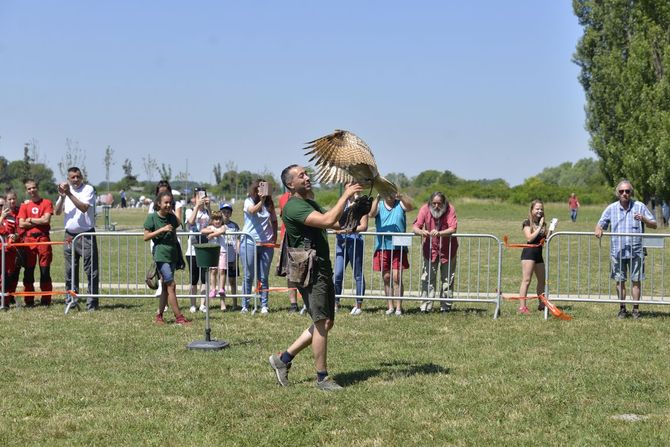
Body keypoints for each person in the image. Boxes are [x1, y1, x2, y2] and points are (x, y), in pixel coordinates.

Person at [268, 164, 363, 391]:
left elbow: (339, 223)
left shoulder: (309, 203)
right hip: (310, 271)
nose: (307, 177)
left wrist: (357, 210)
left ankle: (283, 359)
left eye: (307, 174)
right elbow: (328, 221)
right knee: (321, 323)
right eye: (301, 175)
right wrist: (345, 195)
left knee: (326, 322)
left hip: (321, 268)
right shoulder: (293, 207)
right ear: (290, 183)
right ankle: (322, 378)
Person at [595, 180, 656, 319]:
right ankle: (622, 309)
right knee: (620, 281)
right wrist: (598, 229)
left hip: (636, 251)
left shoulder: (640, 206)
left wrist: (644, 219)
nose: (624, 194)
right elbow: (600, 224)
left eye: (627, 191)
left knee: (636, 280)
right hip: (617, 251)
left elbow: (654, 224)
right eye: (622, 191)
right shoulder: (611, 208)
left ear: (631, 193)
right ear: (618, 193)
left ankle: (635, 310)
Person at [54, 166, 100, 311]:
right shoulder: (66, 192)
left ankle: (91, 303)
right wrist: (62, 196)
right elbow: (56, 212)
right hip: (69, 235)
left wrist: (68, 193)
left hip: (86, 235)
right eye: (72, 177)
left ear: (82, 177)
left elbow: (84, 208)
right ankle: (71, 300)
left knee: (91, 270)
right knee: (70, 270)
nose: (75, 180)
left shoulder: (88, 189)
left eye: (78, 177)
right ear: (68, 178)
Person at [144, 191, 190, 325]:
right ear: (158, 203)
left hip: (172, 255)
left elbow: (179, 224)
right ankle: (179, 317)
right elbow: (146, 237)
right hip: (160, 256)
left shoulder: (171, 217)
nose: (168, 205)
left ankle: (159, 316)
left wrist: (171, 212)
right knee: (171, 284)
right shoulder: (152, 218)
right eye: (166, 202)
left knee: (165, 286)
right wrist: (161, 230)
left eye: (170, 202)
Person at [369, 191, 414, 315]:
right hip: (382, 246)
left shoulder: (400, 204)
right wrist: (377, 198)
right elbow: (371, 214)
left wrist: (403, 196)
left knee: (396, 277)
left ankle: (399, 307)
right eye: (385, 190)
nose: (389, 194)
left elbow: (410, 207)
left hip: (398, 247)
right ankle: (390, 307)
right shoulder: (379, 205)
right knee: (387, 277)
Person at [412, 192, 458, 313]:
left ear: (444, 203)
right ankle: (426, 307)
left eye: (439, 203)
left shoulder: (450, 209)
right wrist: (421, 232)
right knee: (427, 278)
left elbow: (453, 228)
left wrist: (440, 233)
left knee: (447, 279)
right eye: (434, 203)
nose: (436, 206)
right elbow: (416, 226)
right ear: (430, 203)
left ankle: (446, 307)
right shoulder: (424, 209)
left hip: (448, 249)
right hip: (430, 249)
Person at [240, 179, 277, 314]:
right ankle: (245, 304)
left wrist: (274, 237)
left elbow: (274, 220)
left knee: (263, 276)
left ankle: (264, 305)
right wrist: (261, 200)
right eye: (260, 188)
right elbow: (252, 211)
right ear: (255, 189)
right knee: (248, 275)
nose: (262, 191)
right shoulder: (248, 201)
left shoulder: (270, 204)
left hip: (266, 244)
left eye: (265, 188)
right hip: (249, 242)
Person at [17, 180, 53, 306]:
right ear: (26, 191)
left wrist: (31, 219)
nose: (32, 190)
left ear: (37, 187)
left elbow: (46, 220)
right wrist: (40, 220)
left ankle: (46, 299)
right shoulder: (24, 206)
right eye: (29, 189)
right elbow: (21, 223)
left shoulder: (47, 202)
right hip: (29, 240)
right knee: (28, 271)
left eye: (34, 187)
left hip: (43, 239)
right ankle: (29, 299)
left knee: (45, 271)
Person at [517, 199, 556, 314]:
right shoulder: (527, 222)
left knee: (541, 281)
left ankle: (541, 304)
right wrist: (539, 227)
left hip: (539, 254)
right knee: (526, 280)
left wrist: (552, 228)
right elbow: (529, 238)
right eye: (537, 209)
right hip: (529, 253)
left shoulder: (543, 223)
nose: (540, 211)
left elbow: (546, 239)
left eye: (541, 209)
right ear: (532, 210)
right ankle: (522, 307)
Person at [333, 192, 368, 315]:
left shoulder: (362, 205)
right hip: (341, 242)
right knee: (337, 274)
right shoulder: (341, 204)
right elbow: (334, 220)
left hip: (355, 241)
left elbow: (364, 226)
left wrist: (347, 230)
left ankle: (358, 304)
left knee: (357, 274)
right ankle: (335, 302)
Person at [201, 205, 240, 311]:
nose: (218, 221)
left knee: (224, 273)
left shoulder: (228, 226)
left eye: (228, 212)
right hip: (213, 252)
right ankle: (214, 290)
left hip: (226, 252)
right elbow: (202, 230)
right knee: (213, 271)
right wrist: (211, 232)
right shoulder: (211, 226)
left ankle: (228, 296)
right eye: (224, 212)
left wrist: (213, 234)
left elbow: (224, 232)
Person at [184, 189, 211, 313]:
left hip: (205, 248)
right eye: (198, 196)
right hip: (192, 250)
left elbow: (213, 222)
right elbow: (190, 221)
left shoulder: (206, 212)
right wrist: (196, 207)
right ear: (194, 198)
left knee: (204, 278)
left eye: (203, 196)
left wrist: (209, 207)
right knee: (194, 279)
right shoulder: (189, 210)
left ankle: (203, 304)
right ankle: (193, 304)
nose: (201, 198)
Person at [278, 190, 300, 313]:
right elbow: (282, 216)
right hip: (287, 239)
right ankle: (293, 304)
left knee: (304, 272)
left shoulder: (306, 197)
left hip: (301, 240)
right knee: (290, 274)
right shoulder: (283, 198)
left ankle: (308, 303)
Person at [0, 192, 21, 309]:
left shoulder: (12, 218)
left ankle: (6, 301)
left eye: (3, 205)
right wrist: (2, 217)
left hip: (9, 252)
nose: (1, 208)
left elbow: (18, 232)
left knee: (8, 276)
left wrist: (15, 236)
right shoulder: (2, 217)